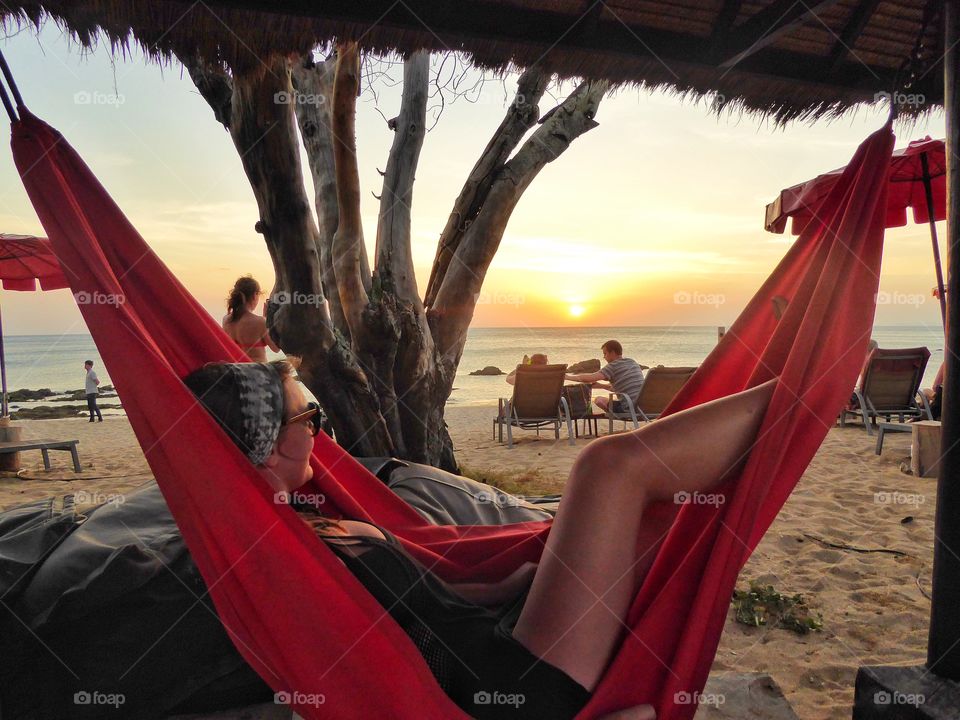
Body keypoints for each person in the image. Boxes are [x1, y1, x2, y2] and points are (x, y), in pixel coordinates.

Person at [180, 359, 775, 719]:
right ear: (276, 443)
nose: (320, 431)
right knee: (606, 469)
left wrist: (514, 581)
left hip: (504, 637)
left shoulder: (306, 525)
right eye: (309, 418)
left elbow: (426, 600)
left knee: (656, 526)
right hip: (515, 685)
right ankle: (807, 386)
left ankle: (800, 380)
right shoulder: (271, 561)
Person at [566, 340, 646, 414]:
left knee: (599, 400)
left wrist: (567, 377)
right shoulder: (632, 362)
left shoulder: (612, 366)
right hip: (646, 407)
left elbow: (589, 378)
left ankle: (612, 415)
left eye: (605, 354)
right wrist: (601, 386)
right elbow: (626, 387)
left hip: (630, 408)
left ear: (612, 352)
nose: (604, 357)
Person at [221, 275, 280, 362]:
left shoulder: (226, 320)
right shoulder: (260, 322)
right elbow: (276, 348)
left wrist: (264, 319)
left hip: (237, 370)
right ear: (254, 295)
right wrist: (269, 320)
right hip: (257, 372)